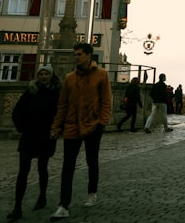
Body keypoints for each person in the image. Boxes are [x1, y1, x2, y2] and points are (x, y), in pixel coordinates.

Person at [49, 43, 112, 219]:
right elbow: (63, 104)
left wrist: (102, 122)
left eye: (79, 54)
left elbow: (106, 100)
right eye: (75, 54)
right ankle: (63, 205)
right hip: (72, 125)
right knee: (67, 165)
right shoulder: (70, 78)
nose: (76, 57)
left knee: (92, 160)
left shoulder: (101, 75)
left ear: (89, 55)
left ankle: (92, 192)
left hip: (93, 125)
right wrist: (56, 125)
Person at [8, 64, 60, 220]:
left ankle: (42, 196)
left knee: (42, 168)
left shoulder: (55, 93)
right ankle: (17, 206)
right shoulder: (30, 91)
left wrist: (55, 129)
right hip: (29, 135)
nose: (43, 76)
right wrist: (22, 128)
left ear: (51, 76)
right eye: (41, 74)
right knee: (23, 171)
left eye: (46, 74)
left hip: (45, 136)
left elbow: (59, 113)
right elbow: (17, 112)